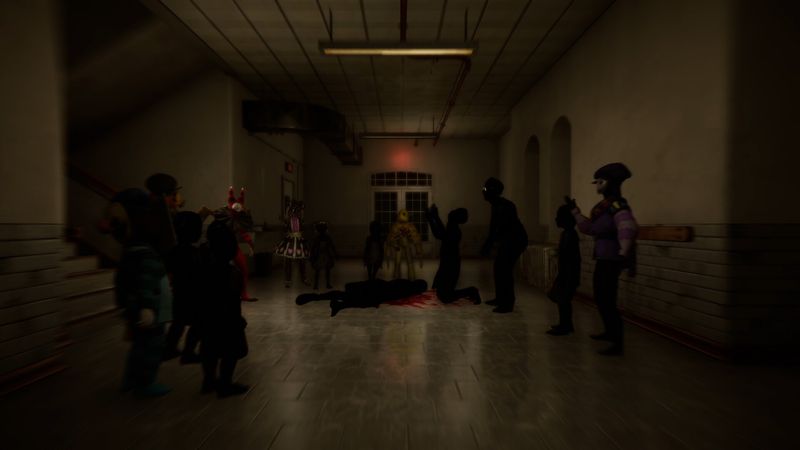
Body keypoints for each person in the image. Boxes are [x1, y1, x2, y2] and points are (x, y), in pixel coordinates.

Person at [567, 162, 638, 355]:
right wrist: (575, 212)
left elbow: (627, 227)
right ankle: (610, 332)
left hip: (612, 259)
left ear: (610, 182)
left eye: (600, 181)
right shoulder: (604, 207)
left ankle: (617, 342)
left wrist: (623, 252)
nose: (597, 185)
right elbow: (590, 228)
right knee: (601, 297)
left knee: (607, 299)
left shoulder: (617, 205)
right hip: (604, 257)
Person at [110, 188, 173, 397]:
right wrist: (147, 307)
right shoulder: (145, 253)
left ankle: (129, 379)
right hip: (149, 310)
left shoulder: (131, 250)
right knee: (152, 345)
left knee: (138, 344)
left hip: (136, 306)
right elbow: (146, 282)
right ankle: (146, 382)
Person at [197, 221, 249, 397]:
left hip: (208, 318)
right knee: (230, 352)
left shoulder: (203, 269)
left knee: (209, 349)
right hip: (228, 319)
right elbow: (233, 299)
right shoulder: (232, 273)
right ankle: (225, 383)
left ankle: (209, 381)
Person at [480, 177, 528, 313]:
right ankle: (501, 298)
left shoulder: (504, 206)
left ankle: (507, 303)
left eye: (485, 189)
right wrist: (488, 245)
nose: (483, 191)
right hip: (510, 240)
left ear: (492, 191)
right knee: (499, 268)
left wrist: (487, 245)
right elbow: (494, 229)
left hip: (515, 241)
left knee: (504, 270)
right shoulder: (496, 204)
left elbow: (498, 229)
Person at [163, 211, 203, 363]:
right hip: (193, 295)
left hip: (179, 293)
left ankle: (169, 348)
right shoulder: (195, 253)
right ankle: (188, 352)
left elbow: (169, 272)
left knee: (178, 323)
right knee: (198, 324)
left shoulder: (173, 251)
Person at [426, 204, 481, 304]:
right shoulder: (452, 226)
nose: (449, 215)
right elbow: (442, 231)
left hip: (451, 264)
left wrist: (431, 218)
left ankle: (471, 291)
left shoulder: (454, 230)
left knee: (445, 297)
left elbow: (439, 235)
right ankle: (468, 291)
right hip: (449, 262)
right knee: (441, 293)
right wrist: (435, 217)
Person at [295, 279, 428, 317]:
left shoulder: (406, 283)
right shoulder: (408, 289)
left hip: (375, 288)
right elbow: (391, 292)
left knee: (351, 298)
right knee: (353, 299)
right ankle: (323, 300)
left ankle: (331, 303)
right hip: (376, 291)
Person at [546, 204, 581, 335]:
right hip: (566, 273)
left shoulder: (570, 234)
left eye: (558, 217)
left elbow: (570, 257)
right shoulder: (567, 234)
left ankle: (566, 325)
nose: (556, 219)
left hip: (568, 273)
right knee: (562, 299)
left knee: (563, 300)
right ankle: (565, 323)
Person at [275, 200, 310, 288]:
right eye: (293, 211)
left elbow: (302, 220)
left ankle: (304, 279)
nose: (295, 213)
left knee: (302, 261)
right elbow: (285, 225)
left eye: (297, 211)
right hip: (290, 242)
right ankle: (288, 280)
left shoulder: (300, 220)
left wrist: (301, 209)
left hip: (299, 242)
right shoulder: (288, 221)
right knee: (288, 261)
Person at [385, 209, 423, 279]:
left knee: (409, 262)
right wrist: (391, 247)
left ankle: (410, 278)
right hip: (398, 246)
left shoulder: (408, 226)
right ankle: (398, 278)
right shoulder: (397, 226)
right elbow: (390, 239)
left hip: (406, 246)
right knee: (398, 263)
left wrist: (418, 250)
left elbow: (416, 238)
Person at [309, 221, 338, 289]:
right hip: (324, 255)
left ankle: (316, 285)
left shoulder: (318, 237)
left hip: (320, 255)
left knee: (318, 271)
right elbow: (332, 246)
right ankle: (326, 284)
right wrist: (335, 254)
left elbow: (313, 247)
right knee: (326, 270)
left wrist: (311, 256)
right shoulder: (326, 237)